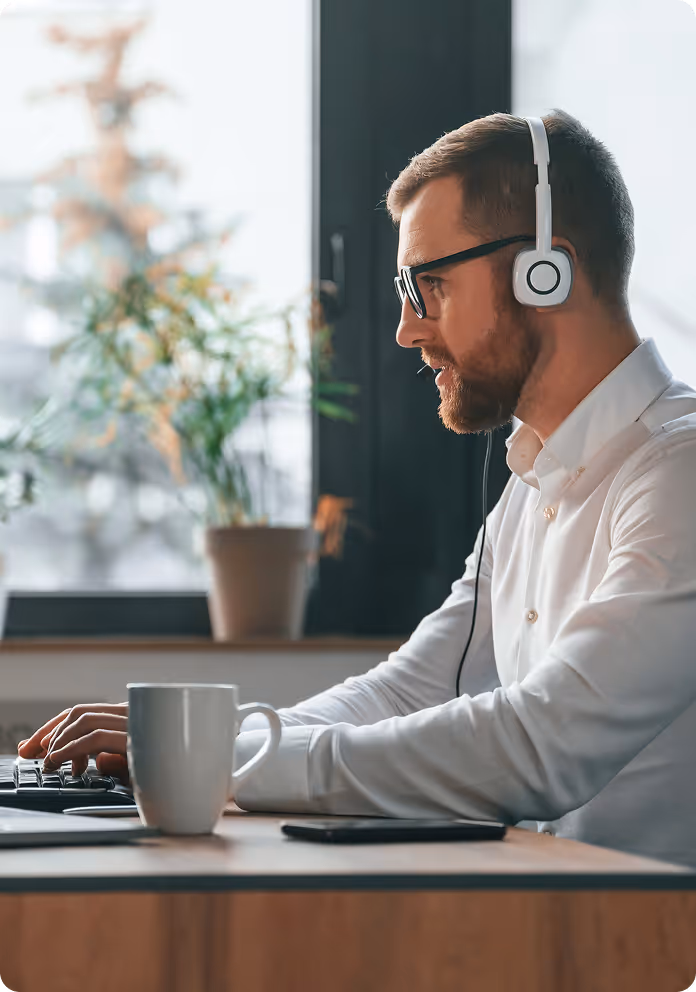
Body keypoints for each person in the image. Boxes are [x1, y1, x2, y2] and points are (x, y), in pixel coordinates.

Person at [19, 111, 696, 867]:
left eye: (428, 284)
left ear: (548, 270)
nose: (407, 328)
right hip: (559, 922)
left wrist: (229, 767)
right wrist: (204, 747)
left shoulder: (678, 473)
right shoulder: (534, 478)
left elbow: (544, 742)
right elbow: (409, 689)